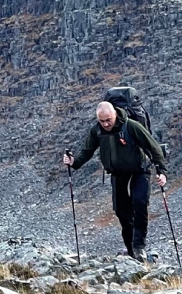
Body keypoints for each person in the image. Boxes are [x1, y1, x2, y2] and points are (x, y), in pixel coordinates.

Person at [62, 101, 167, 261]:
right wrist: (73, 162)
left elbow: (153, 147)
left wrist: (162, 171)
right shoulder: (97, 131)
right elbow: (87, 151)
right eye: (102, 121)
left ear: (115, 115)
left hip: (140, 170)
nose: (105, 124)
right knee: (121, 211)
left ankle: (139, 247)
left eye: (108, 120)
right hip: (118, 173)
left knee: (139, 202)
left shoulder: (131, 126)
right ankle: (131, 249)